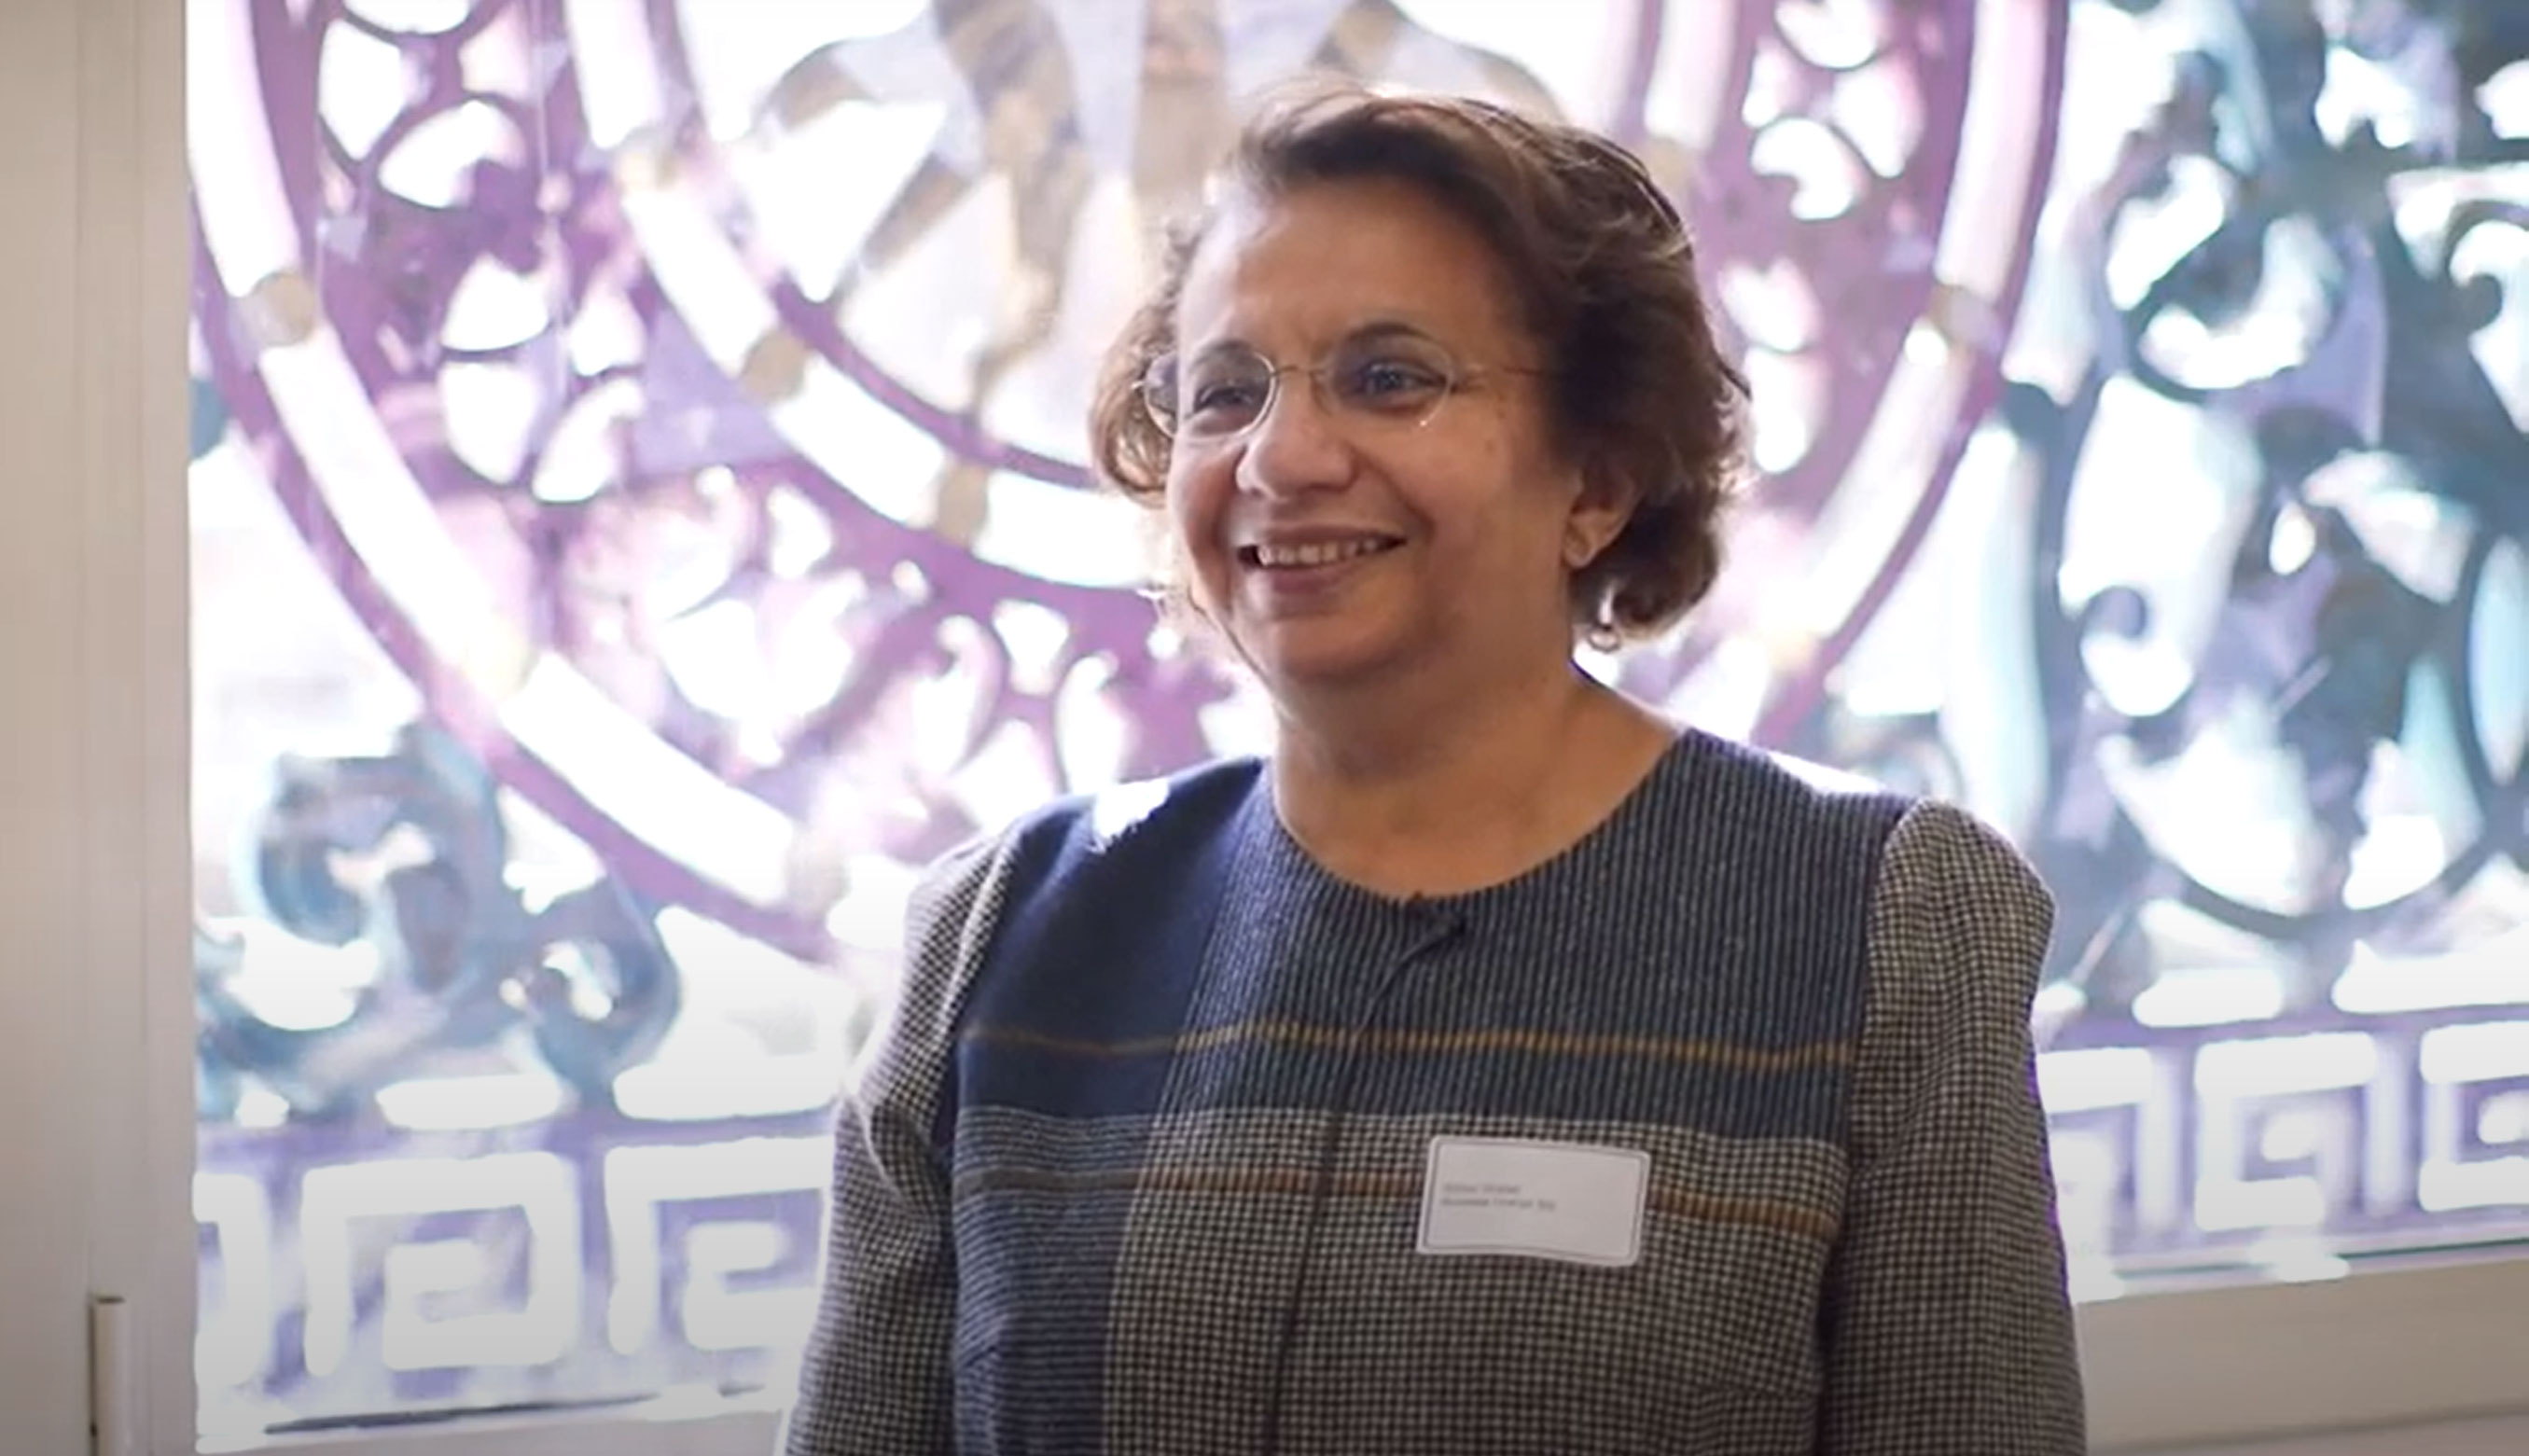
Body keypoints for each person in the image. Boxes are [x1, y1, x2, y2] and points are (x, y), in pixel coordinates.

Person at [783, 77, 2085, 1456]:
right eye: (1225, 393)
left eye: (1389, 378)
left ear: (1597, 479)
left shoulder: (1874, 922)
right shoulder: (1005, 935)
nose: (1282, 456)